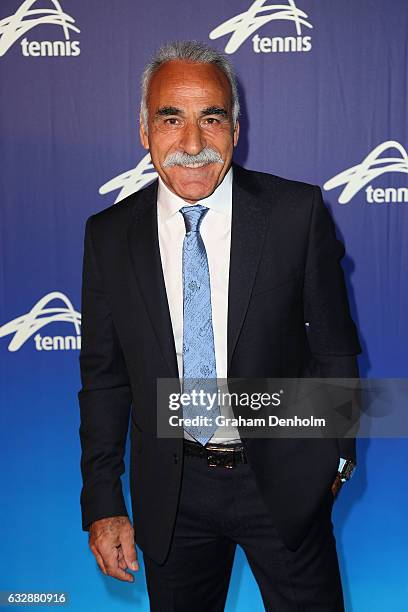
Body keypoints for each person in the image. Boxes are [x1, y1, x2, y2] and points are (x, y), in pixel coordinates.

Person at [78, 40, 361, 611]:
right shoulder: (109, 236)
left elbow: (333, 347)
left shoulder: (295, 213)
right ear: (143, 130)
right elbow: (104, 379)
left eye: (211, 118)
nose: (191, 144)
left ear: (235, 128)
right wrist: (105, 502)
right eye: (171, 119)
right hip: (172, 492)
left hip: (283, 481)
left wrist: (334, 458)